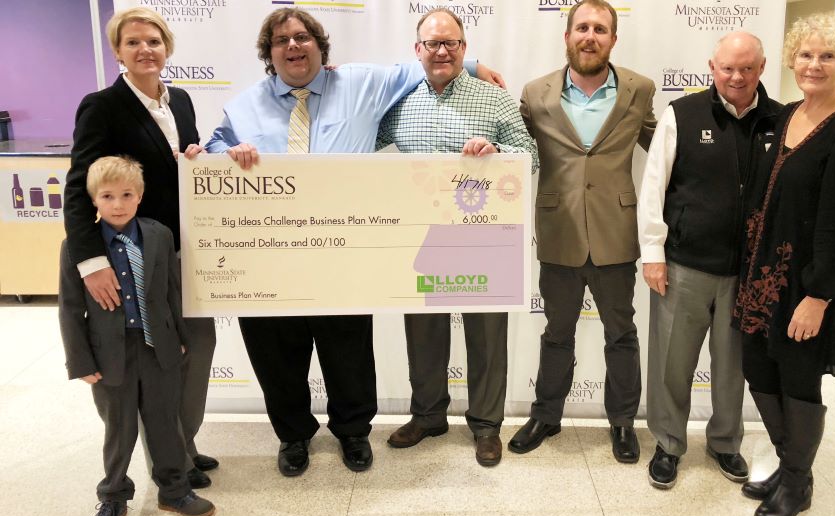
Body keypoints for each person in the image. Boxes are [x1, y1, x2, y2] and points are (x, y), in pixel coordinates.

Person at [204, 7, 502, 477]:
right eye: (282, 41)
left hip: (341, 250)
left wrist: (474, 65)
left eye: (303, 37)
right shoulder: (243, 106)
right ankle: (294, 436)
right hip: (269, 256)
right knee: (275, 353)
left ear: (321, 47)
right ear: (269, 54)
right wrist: (226, 151)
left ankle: (352, 432)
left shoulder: (361, 84)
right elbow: (213, 148)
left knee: (348, 349)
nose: (294, 46)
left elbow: (428, 58)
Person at [62, 7, 219, 490]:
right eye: (132, 42)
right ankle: (171, 461)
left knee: (197, 346)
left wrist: (197, 156)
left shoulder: (183, 101)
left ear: (167, 47)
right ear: (118, 52)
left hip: (182, 252)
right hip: (131, 258)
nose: (144, 49)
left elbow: (184, 168)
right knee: (150, 361)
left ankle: (181, 442)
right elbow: (76, 188)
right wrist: (90, 263)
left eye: (153, 40)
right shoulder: (102, 105)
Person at [733, 12, 835, 516]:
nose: (814, 64)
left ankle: (797, 482)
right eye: (806, 54)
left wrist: (818, 297)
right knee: (757, 368)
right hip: (761, 280)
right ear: (792, 60)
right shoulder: (786, 114)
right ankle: (790, 460)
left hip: (806, 286)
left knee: (798, 380)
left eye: (828, 56)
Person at [376, 8, 538, 467]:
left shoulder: (495, 99)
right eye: (433, 43)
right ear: (418, 51)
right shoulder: (400, 102)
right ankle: (428, 416)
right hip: (421, 234)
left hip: (485, 234)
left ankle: (486, 426)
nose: (442, 50)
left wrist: (497, 151)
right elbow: (359, 142)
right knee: (422, 332)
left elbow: (531, 157)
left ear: (465, 49)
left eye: (451, 43)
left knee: (487, 335)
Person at [507, 0, 656, 463]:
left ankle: (623, 422)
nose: (590, 36)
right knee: (557, 333)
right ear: (567, 35)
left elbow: (664, 144)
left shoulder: (640, 89)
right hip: (558, 233)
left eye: (600, 29)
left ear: (614, 38)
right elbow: (511, 143)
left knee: (621, 334)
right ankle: (546, 416)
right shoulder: (535, 93)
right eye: (582, 28)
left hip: (617, 233)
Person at [637, 32, 782, 489]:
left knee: (732, 365)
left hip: (747, 271)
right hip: (684, 265)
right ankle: (668, 443)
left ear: (761, 68)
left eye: (746, 68)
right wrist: (653, 254)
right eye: (727, 68)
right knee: (672, 364)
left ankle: (725, 442)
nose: (736, 77)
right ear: (711, 67)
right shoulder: (683, 113)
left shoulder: (781, 120)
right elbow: (654, 186)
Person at [60, 156, 215, 516]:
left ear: (140, 196)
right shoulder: (79, 248)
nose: (118, 204)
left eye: (126, 195)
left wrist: (178, 340)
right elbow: (69, 308)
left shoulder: (159, 235)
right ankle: (113, 496)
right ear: (94, 200)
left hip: (158, 349)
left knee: (165, 422)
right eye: (108, 196)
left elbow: (170, 293)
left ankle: (174, 491)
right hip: (110, 355)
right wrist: (80, 362)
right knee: (119, 428)